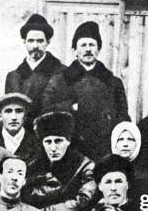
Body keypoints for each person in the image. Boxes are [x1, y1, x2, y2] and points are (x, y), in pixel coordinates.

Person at [42, 21, 129, 160]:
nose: (88, 49)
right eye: (83, 45)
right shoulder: (59, 81)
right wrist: (71, 107)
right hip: (71, 150)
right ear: (75, 51)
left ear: (98, 50)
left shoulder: (113, 82)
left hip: (104, 149)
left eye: (92, 45)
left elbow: (123, 117)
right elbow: (46, 111)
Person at [5, 13, 65, 126]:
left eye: (40, 41)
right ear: (24, 42)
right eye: (31, 41)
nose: (35, 46)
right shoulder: (13, 77)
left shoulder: (61, 73)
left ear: (48, 42)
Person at [0, 93, 41, 164]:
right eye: (8, 111)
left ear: (25, 116)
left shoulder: (37, 143)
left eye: (19, 111)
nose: (14, 117)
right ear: (0, 116)